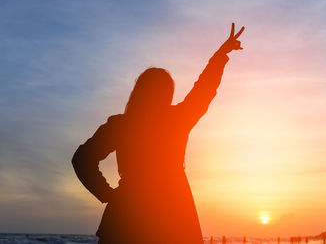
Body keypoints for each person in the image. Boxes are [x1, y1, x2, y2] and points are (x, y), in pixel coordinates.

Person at [72, 23, 245, 243]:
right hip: (171, 211)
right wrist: (220, 55)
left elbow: (82, 159)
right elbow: (204, 89)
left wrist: (107, 194)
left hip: (128, 213)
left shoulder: (123, 124)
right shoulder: (177, 119)